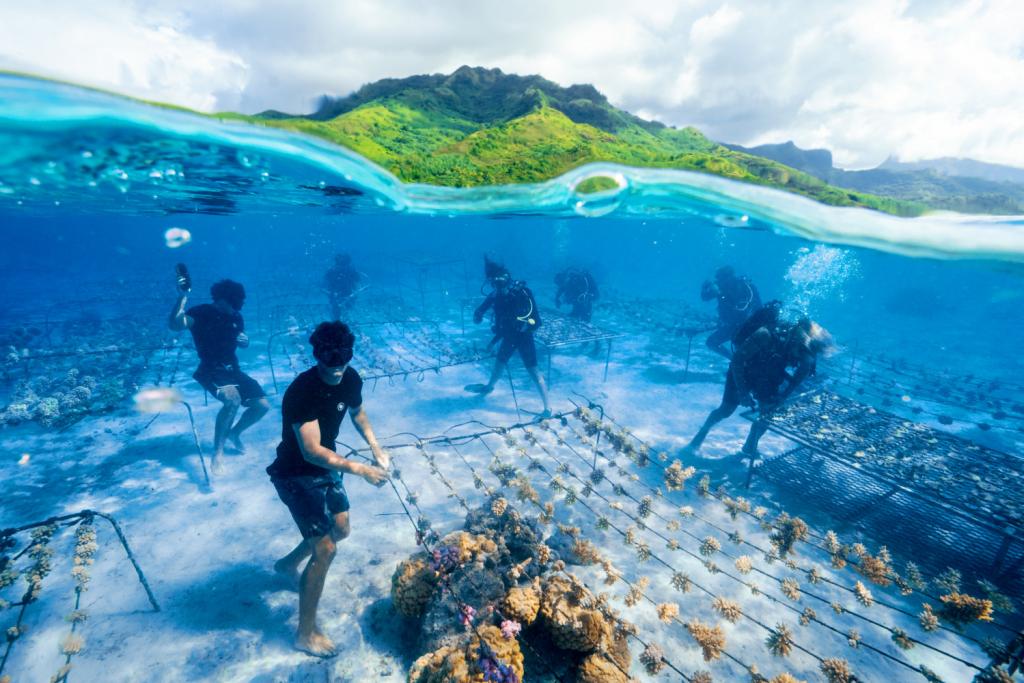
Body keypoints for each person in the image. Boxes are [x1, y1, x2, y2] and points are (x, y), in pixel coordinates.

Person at [267, 321, 390, 658]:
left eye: (344, 356)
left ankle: (287, 566)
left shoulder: (350, 377)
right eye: (328, 357)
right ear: (316, 354)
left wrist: (375, 447)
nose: (337, 365)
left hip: (328, 465)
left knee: (340, 529)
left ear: (350, 353)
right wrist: (362, 468)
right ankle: (304, 634)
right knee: (325, 550)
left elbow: (358, 413)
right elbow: (310, 450)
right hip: (294, 473)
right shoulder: (301, 391)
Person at [684, 305, 831, 457]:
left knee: (768, 413)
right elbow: (737, 361)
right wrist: (743, 392)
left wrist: (783, 397)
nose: (801, 358)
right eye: (800, 353)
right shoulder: (765, 334)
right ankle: (699, 437)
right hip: (744, 369)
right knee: (726, 410)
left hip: (770, 375)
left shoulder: (807, 355)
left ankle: (749, 447)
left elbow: (799, 376)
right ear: (797, 341)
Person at [169, 273, 270, 473]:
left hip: (232, 368)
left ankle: (234, 434)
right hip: (210, 368)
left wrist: (245, 341)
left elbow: (241, 340)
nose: (236, 308)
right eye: (234, 303)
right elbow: (175, 325)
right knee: (232, 401)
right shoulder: (201, 312)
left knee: (262, 406)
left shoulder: (236, 316)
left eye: (238, 304)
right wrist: (182, 296)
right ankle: (218, 453)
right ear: (221, 299)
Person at [466, 257, 552, 417]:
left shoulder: (522, 293)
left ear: (507, 279)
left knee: (533, 371)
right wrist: (478, 315)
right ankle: (489, 386)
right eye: (494, 281)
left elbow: (536, 321)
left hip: (523, 337)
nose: (498, 286)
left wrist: (525, 325)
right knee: (499, 363)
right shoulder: (495, 295)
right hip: (508, 337)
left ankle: (547, 408)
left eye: (500, 281)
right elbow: (483, 311)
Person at [700, 266, 761, 359]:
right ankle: (734, 359)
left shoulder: (743, 286)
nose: (719, 281)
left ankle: (738, 361)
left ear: (729, 276)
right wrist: (705, 288)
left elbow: (756, 307)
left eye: (720, 278)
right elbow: (705, 297)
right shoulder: (719, 288)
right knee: (712, 342)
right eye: (718, 278)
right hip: (730, 326)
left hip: (744, 326)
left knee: (743, 352)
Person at [324, 254, 362, 319]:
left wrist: (355, 291)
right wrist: (330, 292)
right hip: (335, 293)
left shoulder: (350, 270)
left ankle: (343, 317)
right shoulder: (332, 271)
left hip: (347, 292)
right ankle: (338, 319)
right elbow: (325, 283)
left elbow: (357, 280)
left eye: (344, 264)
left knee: (346, 307)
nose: (342, 267)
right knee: (336, 308)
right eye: (341, 264)